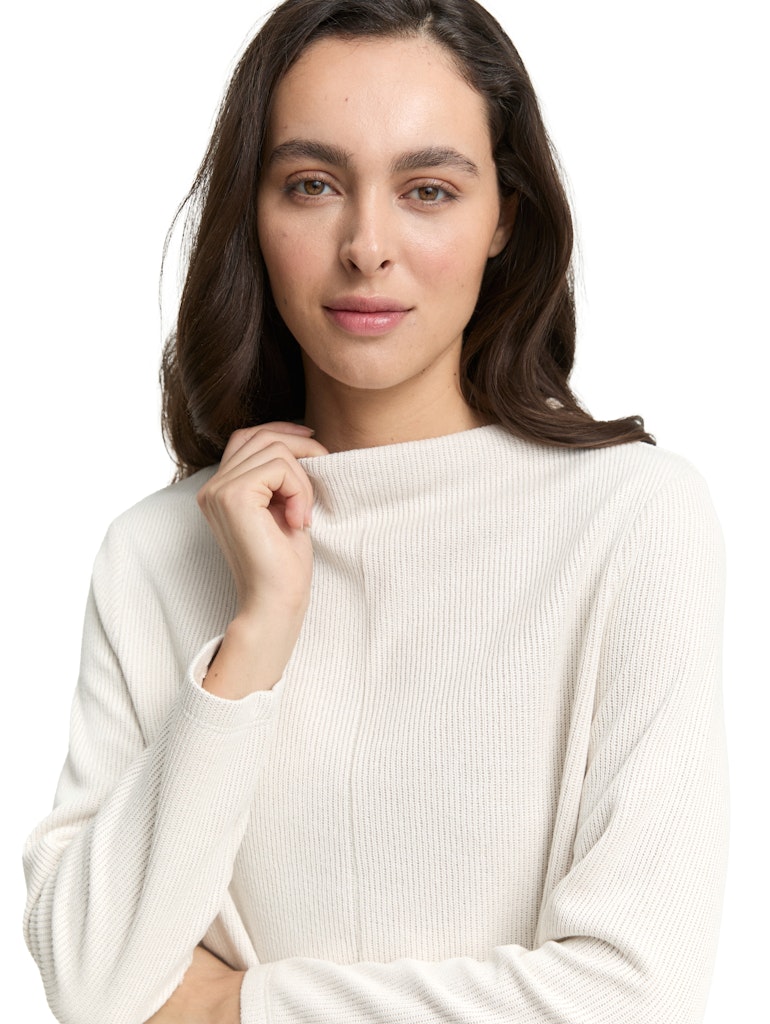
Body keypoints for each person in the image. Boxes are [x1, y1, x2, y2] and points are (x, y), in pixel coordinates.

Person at [23, 0, 728, 1022]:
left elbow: (636, 994)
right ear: (253, 212)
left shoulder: (631, 522)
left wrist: (232, 1009)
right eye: (312, 184)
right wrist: (254, 637)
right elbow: (93, 986)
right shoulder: (156, 553)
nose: (365, 245)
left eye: (427, 189)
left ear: (505, 218)